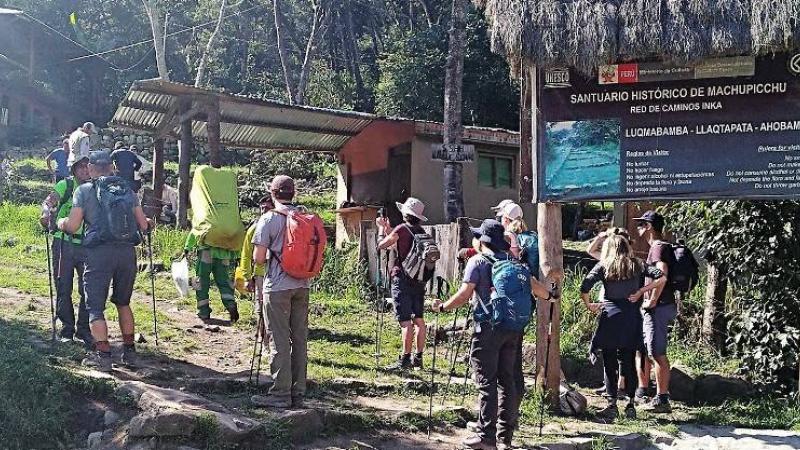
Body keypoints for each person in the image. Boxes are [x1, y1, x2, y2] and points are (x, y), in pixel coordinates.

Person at [433, 219, 556, 450]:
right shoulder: (514, 262)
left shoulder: (477, 262)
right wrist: (551, 296)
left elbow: (463, 295)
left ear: (483, 240)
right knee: (506, 380)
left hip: (487, 329)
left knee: (486, 381)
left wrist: (441, 307)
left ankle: (486, 436)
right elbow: (538, 289)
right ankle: (504, 438)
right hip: (513, 329)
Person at [57, 151, 152, 371]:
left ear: (90, 169)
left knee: (95, 308)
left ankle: (104, 356)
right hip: (127, 253)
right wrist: (148, 223)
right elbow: (144, 225)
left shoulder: (84, 190)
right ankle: (129, 353)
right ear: (112, 168)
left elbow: (73, 226)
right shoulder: (127, 190)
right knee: (123, 302)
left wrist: (60, 222)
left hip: (98, 254)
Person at [580, 232, 666, 420]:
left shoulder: (604, 265)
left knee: (609, 361)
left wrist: (589, 305)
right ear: (626, 247)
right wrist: (641, 292)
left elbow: (585, 286)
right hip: (631, 317)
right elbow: (661, 277)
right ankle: (630, 404)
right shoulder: (637, 264)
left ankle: (611, 404)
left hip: (610, 316)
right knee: (628, 360)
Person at [251, 175, 311, 408]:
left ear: (272, 193)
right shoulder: (304, 218)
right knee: (299, 338)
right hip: (302, 285)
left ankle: (280, 393)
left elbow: (258, 257)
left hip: (277, 287)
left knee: (278, 339)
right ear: (293, 193)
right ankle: (299, 391)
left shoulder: (268, 219)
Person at [40, 155, 92, 346]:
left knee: (87, 289)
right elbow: (49, 202)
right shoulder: (66, 186)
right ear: (74, 169)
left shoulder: (95, 189)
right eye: (81, 167)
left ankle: (84, 330)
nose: (85, 170)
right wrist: (46, 214)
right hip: (64, 243)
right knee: (63, 287)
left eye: (88, 167)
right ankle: (67, 330)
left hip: (87, 244)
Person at [375, 197, 430, 371]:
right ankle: (418, 357)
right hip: (419, 280)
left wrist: (381, 230)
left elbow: (382, 245)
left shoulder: (401, 229)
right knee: (419, 320)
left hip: (402, 279)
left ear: (405, 213)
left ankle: (405, 359)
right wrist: (388, 229)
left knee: (406, 321)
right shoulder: (422, 232)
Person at [634, 210, 677, 413]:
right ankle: (648, 392)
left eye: (641, 224)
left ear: (650, 226)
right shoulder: (659, 247)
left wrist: (652, 300)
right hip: (661, 306)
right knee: (648, 350)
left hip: (658, 308)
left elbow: (662, 275)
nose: (639, 228)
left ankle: (662, 399)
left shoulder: (658, 247)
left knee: (657, 352)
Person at [183, 232, 240, 323]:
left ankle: (203, 311)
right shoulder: (227, 219)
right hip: (224, 254)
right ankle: (231, 305)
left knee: (201, 282)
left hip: (206, 251)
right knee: (224, 282)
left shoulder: (206, 217)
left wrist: (187, 247)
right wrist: (238, 254)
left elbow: (196, 230)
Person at [241, 195, 273, 335]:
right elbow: (246, 254)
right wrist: (247, 277)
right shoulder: (254, 228)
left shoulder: (282, 224)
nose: (263, 211)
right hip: (260, 274)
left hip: (276, 274)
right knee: (261, 309)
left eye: (267, 207)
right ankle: (263, 339)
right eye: (262, 208)